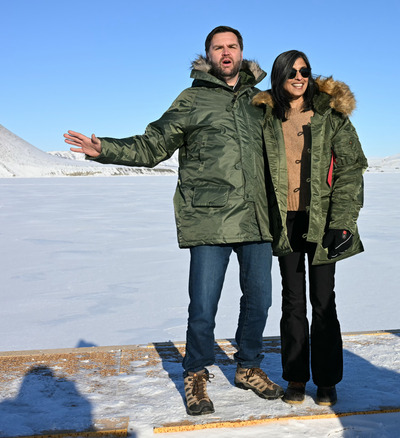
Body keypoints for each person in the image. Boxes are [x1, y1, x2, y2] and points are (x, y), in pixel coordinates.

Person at [64, 26, 283, 416]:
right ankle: (196, 373)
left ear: (243, 53)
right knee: (203, 305)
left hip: (257, 217)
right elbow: (154, 145)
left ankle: (248, 367)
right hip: (208, 218)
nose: (226, 52)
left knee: (260, 301)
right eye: (218, 48)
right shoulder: (192, 99)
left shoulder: (261, 101)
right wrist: (104, 150)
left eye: (232, 46)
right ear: (208, 56)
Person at [252, 50, 367, 406]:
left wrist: (343, 222)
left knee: (323, 300)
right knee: (292, 302)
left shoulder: (330, 115)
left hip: (322, 222)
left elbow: (350, 169)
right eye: (291, 72)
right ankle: (297, 378)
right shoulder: (266, 117)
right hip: (284, 222)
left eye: (304, 71)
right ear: (280, 77)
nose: (299, 77)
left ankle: (328, 380)